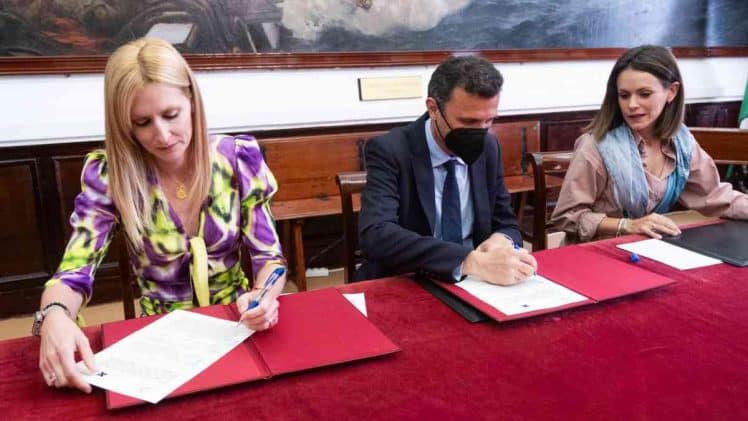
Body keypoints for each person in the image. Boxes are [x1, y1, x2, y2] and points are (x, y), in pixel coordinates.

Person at [35, 38, 287, 393]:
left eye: (171, 115)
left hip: (238, 326)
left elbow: (270, 258)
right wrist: (55, 315)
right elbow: (75, 270)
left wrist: (264, 295)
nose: (163, 135)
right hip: (159, 343)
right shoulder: (111, 176)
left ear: (192, 103)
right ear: (125, 126)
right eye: (143, 123)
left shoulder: (238, 159)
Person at [358, 55, 537, 285]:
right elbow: (376, 234)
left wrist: (501, 240)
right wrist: (467, 260)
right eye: (469, 122)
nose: (481, 132)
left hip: (476, 282)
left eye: (489, 121)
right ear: (433, 109)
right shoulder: (391, 150)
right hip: (409, 280)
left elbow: (506, 223)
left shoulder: (489, 148)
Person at [552, 45, 748, 242]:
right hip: (595, 253)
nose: (632, 105)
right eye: (624, 95)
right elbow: (567, 216)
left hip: (649, 248)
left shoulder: (682, 142)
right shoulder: (595, 145)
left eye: (644, 94)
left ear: (671, 91)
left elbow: (716, 198)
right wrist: (627, 225)